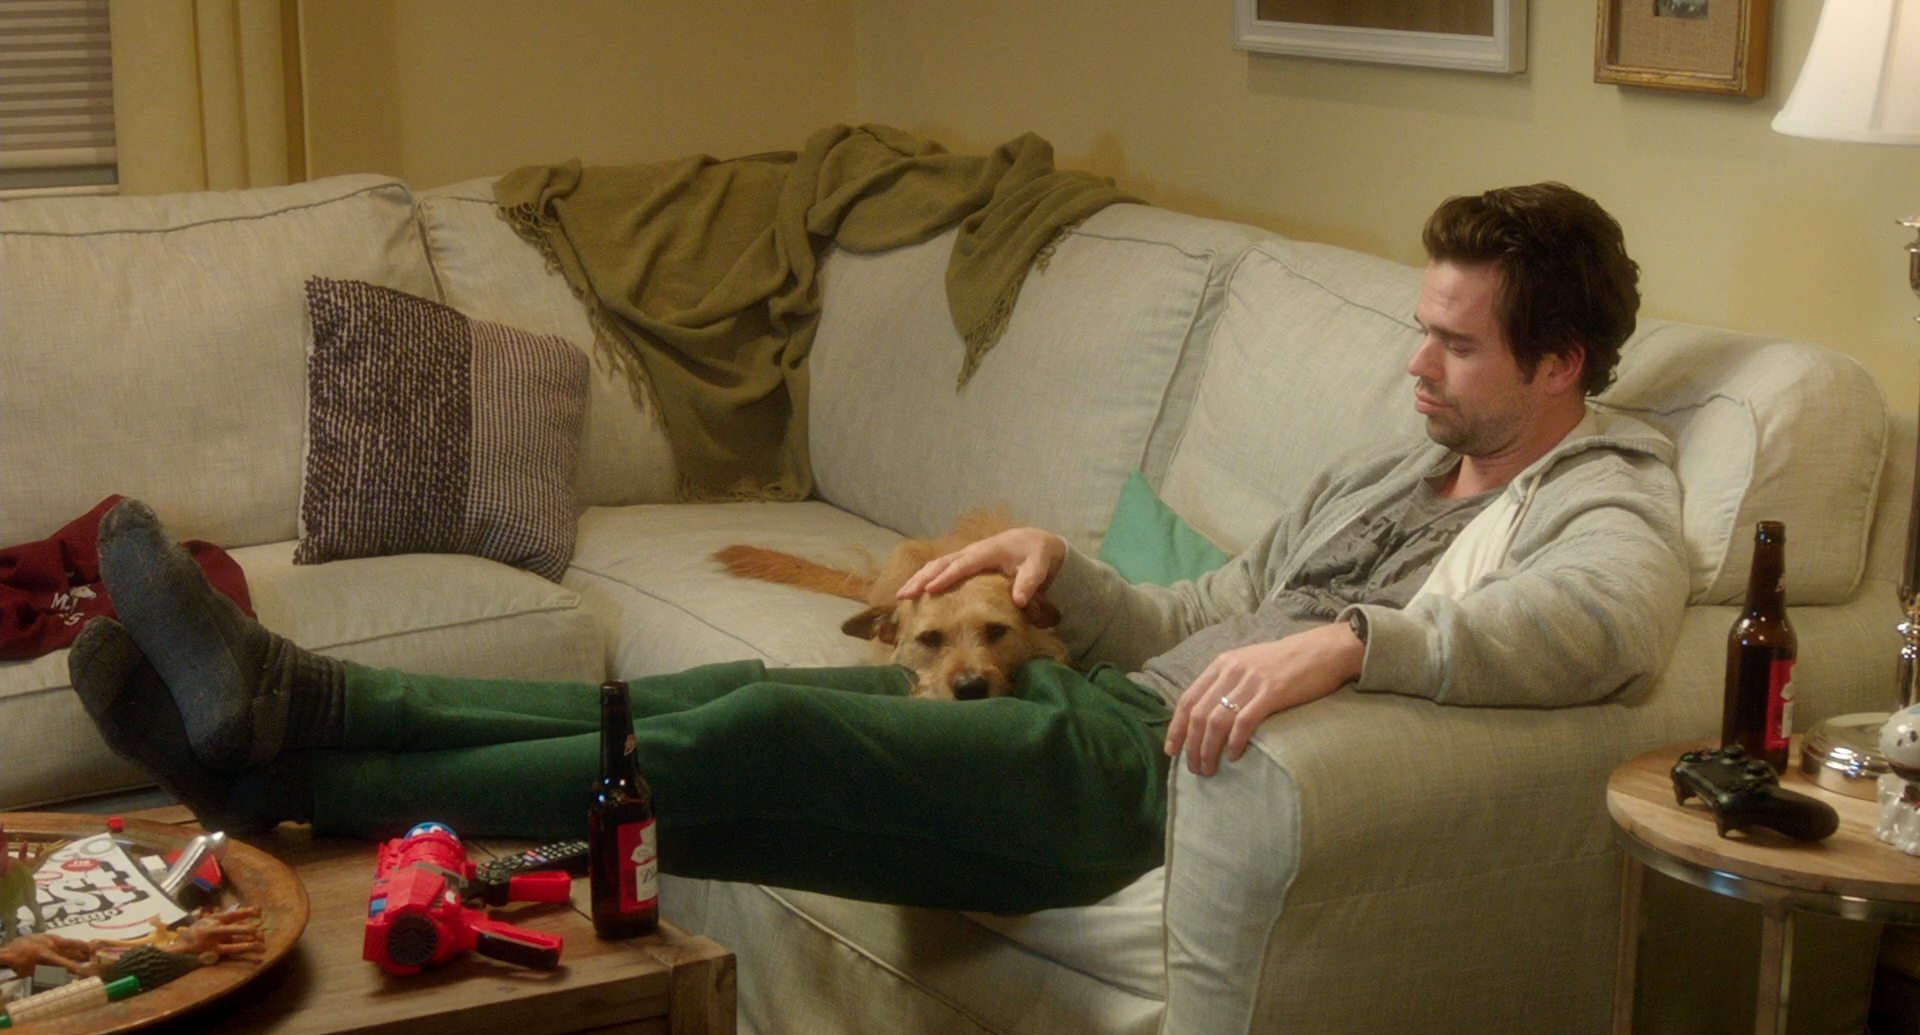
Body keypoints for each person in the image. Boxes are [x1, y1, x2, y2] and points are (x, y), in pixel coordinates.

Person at [67, 182, 1687, 915]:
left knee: (760, 730)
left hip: (1137, 784)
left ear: (1558, 365)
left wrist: (1354, 642)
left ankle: (296, 759)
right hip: (1090, 700)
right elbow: (1210, 603)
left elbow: (1604, 630)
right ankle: (295, 717)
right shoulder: (1394, 463)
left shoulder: (1607, 494)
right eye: (1420, 329)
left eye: (1456, 345)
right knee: (710, 704)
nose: (1416, 366)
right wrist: (1066, 571)